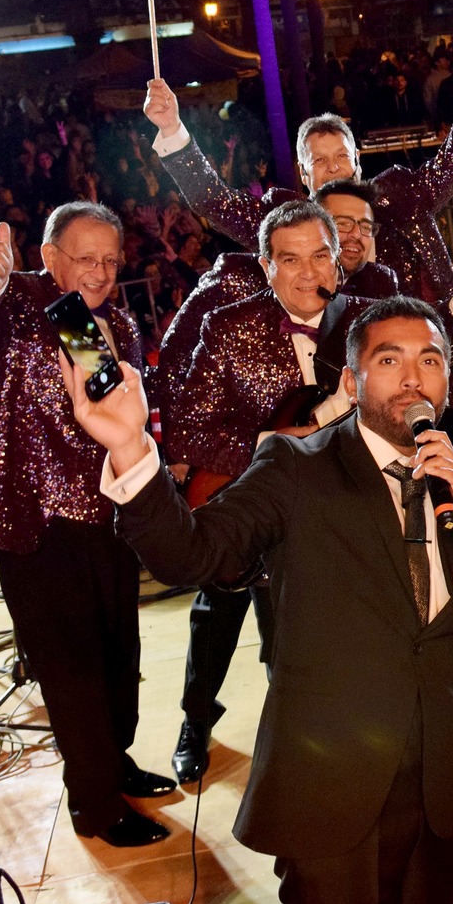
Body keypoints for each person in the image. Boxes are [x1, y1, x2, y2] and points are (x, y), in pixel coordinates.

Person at [64, 296, 453, 904]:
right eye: (389, 361)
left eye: (429, 360)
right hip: (330, 791)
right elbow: (193, 553)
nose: (412, 377)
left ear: (448, 381)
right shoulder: (295, 469)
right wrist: (128, 449)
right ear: (353, 384)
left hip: (436, 794)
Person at [0, 201, 177, 847]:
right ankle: (94, 805)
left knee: (118, 657)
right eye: (85, 258)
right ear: (49, 258)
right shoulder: (14, 305)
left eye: (109, 259)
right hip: (35, 524)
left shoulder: (119, 323)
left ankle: (114, 761)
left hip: (109, 515)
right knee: (71, 671)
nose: (100, 272)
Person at [164, 202, 375, 784]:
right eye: (291, 260)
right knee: (219, 613)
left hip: (331, 506)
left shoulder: (365, 320)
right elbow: (189, 428)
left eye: (320, 256)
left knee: (308, 629)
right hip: (248, 497)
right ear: (266, 266)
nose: (309, 274)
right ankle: (195, 718)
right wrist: (281, 442)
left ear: (339, 258)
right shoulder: (230, 326)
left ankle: (310, 733)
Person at [142, 42, 453, 317]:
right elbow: (214, 201)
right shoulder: (284, 223)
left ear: (357, 162)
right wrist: (172, 129)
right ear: (303, 173)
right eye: (320, 160)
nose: (334, 168)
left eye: (342, 157)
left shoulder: (400, 199)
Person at [314, 178, 400, 299]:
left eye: (365, 227)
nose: (356, 234)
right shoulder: (290, 281)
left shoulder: (380, 281)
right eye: (343, 224)